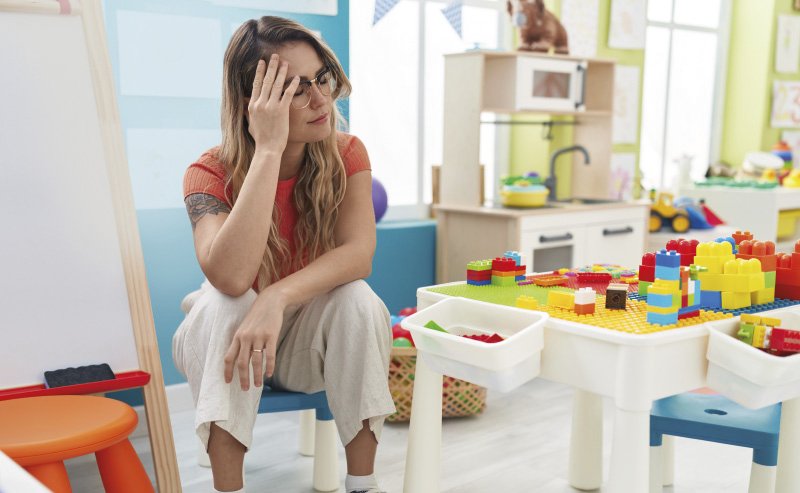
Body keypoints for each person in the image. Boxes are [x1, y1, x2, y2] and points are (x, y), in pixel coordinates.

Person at [172, 16, 395, 493]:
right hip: (223, 341)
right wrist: (269, 150)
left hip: (299, 344)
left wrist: (274, 297)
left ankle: (363, 485)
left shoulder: (348, 153)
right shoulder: (207, 172)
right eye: (295, 90)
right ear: (254, 103)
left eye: (322, 80)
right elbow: (230, 277)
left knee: (358, 298)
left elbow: (359, 254)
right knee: (226, 301)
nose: (320, 101)